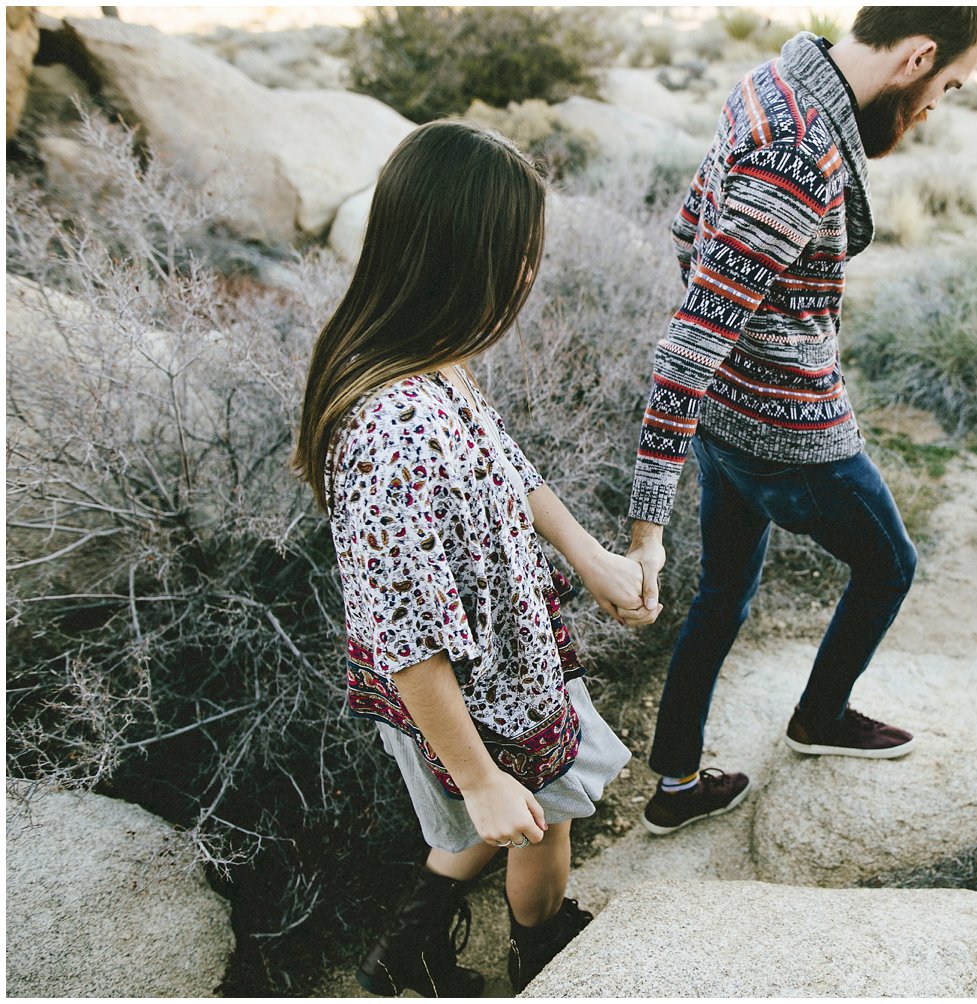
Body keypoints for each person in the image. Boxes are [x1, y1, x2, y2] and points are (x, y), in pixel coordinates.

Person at [293, 120, 657, 995]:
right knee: (540, 822)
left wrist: (592, 558)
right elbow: (407, 639)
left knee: (509, 813)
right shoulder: (390, 429)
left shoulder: (431, 363)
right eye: (519, 252)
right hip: (471, 694)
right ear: (466, 257)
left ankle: (406, 953)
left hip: (509, 660)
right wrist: (481, 775)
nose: (529, 274)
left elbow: (505, 466)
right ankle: (541, 951)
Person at [625, 8, 977, 834]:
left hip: (729, 422)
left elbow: (690, 231)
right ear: (917, 56)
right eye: (947, 86)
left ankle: (677, 781)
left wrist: (747, 344)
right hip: (790, 434)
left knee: (725, 590)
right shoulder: (801, 154)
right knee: (890, 566)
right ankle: (821, 718)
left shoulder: (768, 84)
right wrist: (645, 525)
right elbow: (689, 342)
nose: (938, 104)